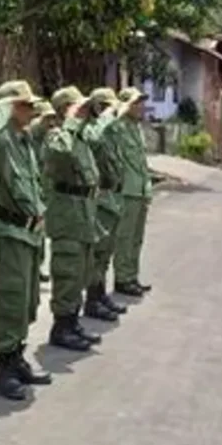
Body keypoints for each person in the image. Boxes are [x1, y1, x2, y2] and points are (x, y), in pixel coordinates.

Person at [0, 81, 53, 401]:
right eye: (24, 105)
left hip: (29, 232)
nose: (32, 110)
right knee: (11, 300)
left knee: (28, 300)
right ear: (9, 107)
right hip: (8, 232)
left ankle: (17, 355)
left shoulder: (23, 139)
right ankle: (4, 366)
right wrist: (1, 106)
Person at [43, 86, 103, 352]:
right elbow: (60, 155)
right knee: (67, 271)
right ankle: (62, 326)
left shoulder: (80, 137)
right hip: (67, 214)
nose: (84, 112)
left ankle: (73, 320)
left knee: (81, 270)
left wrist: (85, 119)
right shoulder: (57, 136)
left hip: (84, 211)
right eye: (78, 107)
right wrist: (70, 120)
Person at [84, 87, 129, 322]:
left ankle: (100, 294)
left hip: (112, 197)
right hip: (100, 199)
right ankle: (92, 298)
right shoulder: (94, 129)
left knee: (107, 252)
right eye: (107, 107)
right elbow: (94, 140)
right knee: (98, 252)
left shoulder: (112, 132)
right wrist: (106, 117)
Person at [112, 87, 153, 297]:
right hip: (126, 192)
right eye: (136, 103)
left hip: (139, 190)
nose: (141, 107)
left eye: (141, 103)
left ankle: (132, 276)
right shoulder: (118, 127)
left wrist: (147, 190)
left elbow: (142, 163)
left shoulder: (136, 128)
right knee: (124, 238)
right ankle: (122, 278)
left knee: (137, 238)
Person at [30, 101, 60, 284]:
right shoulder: (30, 137)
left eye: (52, 119)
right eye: (46, 118)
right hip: (31, 192)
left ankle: (37, 267)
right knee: (33, 233)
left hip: (44, 191)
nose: (50, 123)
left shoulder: (49, 139)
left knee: (40, 234)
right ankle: (33, 268)